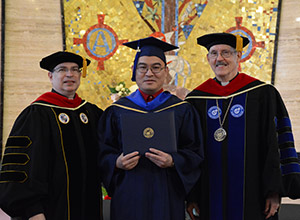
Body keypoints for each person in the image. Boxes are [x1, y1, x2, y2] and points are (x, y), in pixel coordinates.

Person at [185, 32, 300, 220]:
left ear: (239, 56)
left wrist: (274, 190)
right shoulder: (195, 100)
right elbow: (190, 152)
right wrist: (192, 196)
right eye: (213, 53)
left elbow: (278, 144)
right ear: (208, 59)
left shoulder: (263, 95)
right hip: (208, 194)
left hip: (255, 195)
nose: (219, 58)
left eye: (226, 53)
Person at [97, 37, 204, 220]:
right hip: (128, 196)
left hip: (167, 195)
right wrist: (117, 163)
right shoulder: (116, 111)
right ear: (134, 71)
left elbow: (196, 154)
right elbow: (101, 153)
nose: (149, 73)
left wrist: (173, 161)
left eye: (156, 67)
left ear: (166, 72)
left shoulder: (182, 110)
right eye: (143, 67)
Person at [0, 51, 103, 220]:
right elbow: (19, 169)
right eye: (62, 69)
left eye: (75, 69)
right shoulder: (36, 115)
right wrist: (33, 212)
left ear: (80, 74)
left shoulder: (91, 113)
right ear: (50, 76)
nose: (69, 74)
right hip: (50, 212)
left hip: (89, 208)